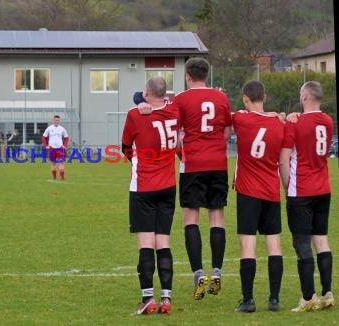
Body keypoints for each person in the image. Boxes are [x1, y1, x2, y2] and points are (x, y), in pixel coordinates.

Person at [133, 57, 232, 300]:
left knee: (191, 219)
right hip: (218, 163)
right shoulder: (221, 97)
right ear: (206, 74)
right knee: (217, 218)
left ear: (188, 76)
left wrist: (181, 153)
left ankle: (198, 272)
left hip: (193, 164)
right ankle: (216, 271)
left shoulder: (182, 99)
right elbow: (227, 130)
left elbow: (173, 129)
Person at [122, 76, 179, 315]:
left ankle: (148, 298)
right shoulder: (175, 111)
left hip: (144, 186)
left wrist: (139, 105)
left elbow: (125, 148)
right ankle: (166, 299)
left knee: (146, 244)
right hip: (168, 185)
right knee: (163, 243)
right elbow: (170, 100)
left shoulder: (135, 115)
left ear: (146, 92)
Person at [279, 81, 334, 312]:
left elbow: (283, 160)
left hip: (301, 190)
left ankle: (308, 297)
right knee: (321, 240)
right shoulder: (329, 121)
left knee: (301, 243)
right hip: (323, 188)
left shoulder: (297, 123)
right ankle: (327, 293)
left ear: (304, 97)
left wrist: (286, 187)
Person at [232, 81, 284, 313]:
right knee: (274, 244)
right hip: (271, 190)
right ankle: (274, 299)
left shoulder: (241, 119)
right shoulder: (279, 124)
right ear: (266, 97)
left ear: (245, 98)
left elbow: (227, 114)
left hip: (248, 191)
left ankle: (248, 300)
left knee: (247, 244)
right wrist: (281, 115)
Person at [42, 115, 69, 180]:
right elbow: (44, 137)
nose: (57, 121)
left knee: (61, 163)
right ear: (53, 120)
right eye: (56, 120)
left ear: (59, 121)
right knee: (53, 163)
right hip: (51, 148)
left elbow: (66, 138)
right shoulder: (49, 128)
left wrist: (64, 145)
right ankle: (54, 177)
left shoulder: (62, 129)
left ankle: (62, 177)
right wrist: (46, 146)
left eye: (58, 120)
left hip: (60, 148)